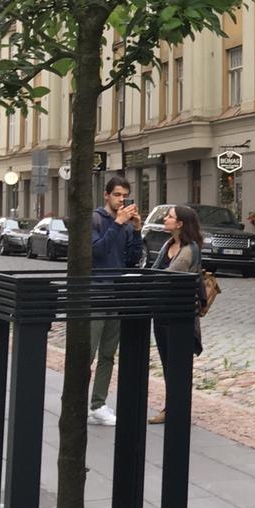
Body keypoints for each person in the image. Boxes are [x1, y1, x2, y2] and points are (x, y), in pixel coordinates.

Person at [89, 173, 146, 426]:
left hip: (116, 293)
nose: (121, 199)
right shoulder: (95, 219)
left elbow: (132, 259)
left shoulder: (124, 224)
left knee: (109, 353)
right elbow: (97, 251)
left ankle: (98, 404)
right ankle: (76, 403)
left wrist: (136, 231)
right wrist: (117, 223)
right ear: (106, 195)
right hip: (94, 293)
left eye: (125, 195)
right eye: (117, 195)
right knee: (87, 353)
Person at [146, 204, 204, 426]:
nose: (165, 219)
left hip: (180, 316)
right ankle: (174, 407)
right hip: (161, 312)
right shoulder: (168, 244)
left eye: (169, 217)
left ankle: (175, 409)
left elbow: (168, 277)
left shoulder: (189, 249)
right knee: (167, 362)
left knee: (177, 364)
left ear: (180, 224)